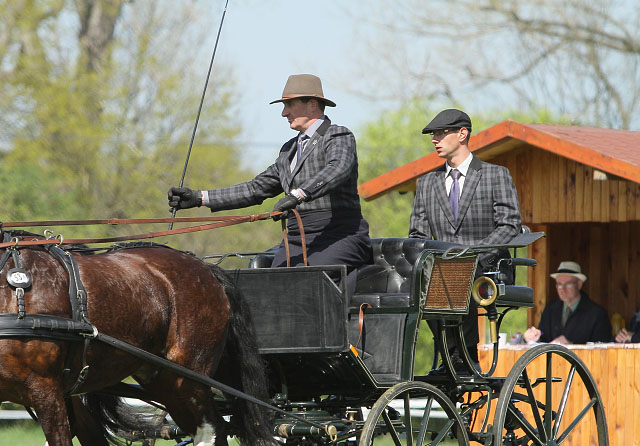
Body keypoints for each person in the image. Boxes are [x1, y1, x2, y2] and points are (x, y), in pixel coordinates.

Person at [167, 73, 372, 277]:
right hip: (296, 238)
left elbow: (338, 168)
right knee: (270, 286)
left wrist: (298, 195)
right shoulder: (288, 150)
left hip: (339, 235)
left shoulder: (337, 135)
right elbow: (255, 189)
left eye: (289, 105)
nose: (284, 113)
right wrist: (199, 198)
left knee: (306, 281)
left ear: (312, 104)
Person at [409, 108, 523, 370]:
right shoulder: (427, 183)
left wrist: (472, 255)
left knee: (460, 273)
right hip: (442, 268)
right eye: (433, 135)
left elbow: (509, 225)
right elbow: (418, 235)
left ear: (462, 134)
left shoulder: (496, 175)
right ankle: (449, 354)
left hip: (488, 267)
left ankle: (465, 355)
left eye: (440, 132)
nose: (435, 139)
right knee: (416, 282)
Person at [523, 261, 612, 344]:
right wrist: (534, 337)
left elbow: (602, 348)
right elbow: (543, 338)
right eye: (559, 284)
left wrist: (571, 346)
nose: (563, 289)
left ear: (579, 284)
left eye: (568, 284)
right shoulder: (550, 309)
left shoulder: (597, 314)